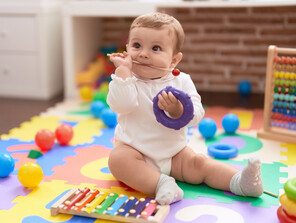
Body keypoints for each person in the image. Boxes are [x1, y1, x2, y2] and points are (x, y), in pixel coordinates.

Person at [106, 12, 264, 205]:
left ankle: (240, 182)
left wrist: (178, 111)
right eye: (136, 46)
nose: (143, 54)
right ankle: (162, 184)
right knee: (117, 160)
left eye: (156, 48)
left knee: (200, 164)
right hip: (135, 152)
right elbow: (122, 105)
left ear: (173, 60)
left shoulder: (181, 81)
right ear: (127, 48)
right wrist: (122, 71)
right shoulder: (126, 81)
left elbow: (197, 113)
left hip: (174, 154)